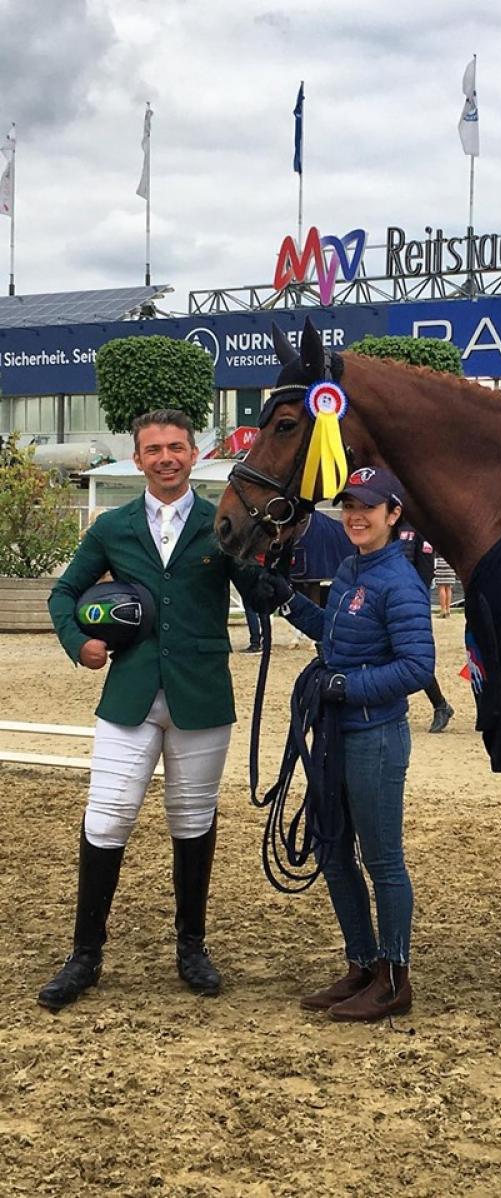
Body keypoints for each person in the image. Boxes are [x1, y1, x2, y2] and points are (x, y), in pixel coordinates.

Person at [40, 409, 260, 1011]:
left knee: (191, 820)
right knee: (107, 818)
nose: (165, 457)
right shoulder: (112, 526)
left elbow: (261, 591)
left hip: (201, 695)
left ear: (196, 454)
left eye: (176, 447)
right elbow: (64, 592)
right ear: (138, 459)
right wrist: (75, 640)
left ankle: (192, 947)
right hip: (131, 695)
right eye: (154, 449)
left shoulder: (223, 523)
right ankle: (85, 955)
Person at [256, 465, 434, 1022]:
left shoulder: (400, 582)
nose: (355, 515)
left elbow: (416, 666)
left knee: (383, 860)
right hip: (335, 733)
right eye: (348, 505)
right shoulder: (353, 569)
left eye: (367, 506)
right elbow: (334, 633)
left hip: (375, 735)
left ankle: (394, 976)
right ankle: (361, 964)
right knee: (332, 850)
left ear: (392, 514)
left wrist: (345, 686)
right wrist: (285, 599)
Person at [397, 514, 455, 733]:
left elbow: (425, 570)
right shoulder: (386, 524)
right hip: (385, 598)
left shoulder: (419, 527)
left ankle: (440, 705)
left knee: (413, 657)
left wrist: (415, 601)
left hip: (409, 600)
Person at [433, 552, 457, 618]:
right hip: (450, 562)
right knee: (448, 587)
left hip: (441, 561)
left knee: (441, 587)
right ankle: (448, 610)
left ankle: (443, 610)